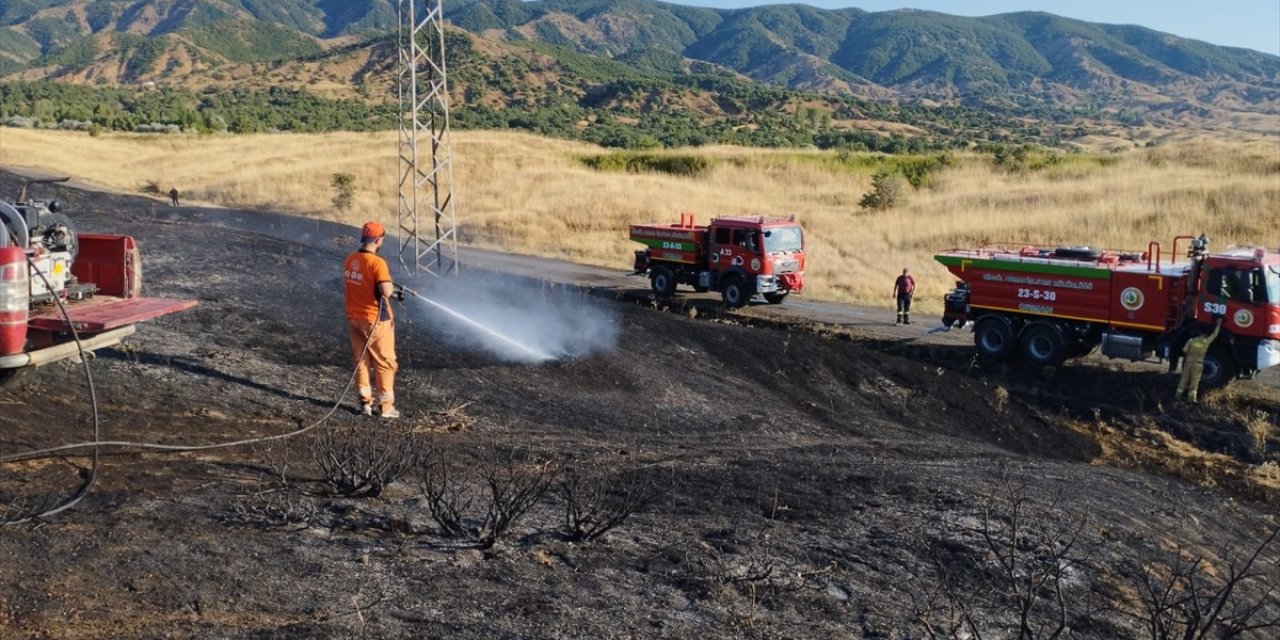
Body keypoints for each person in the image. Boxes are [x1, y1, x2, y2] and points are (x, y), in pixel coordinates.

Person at [343, 221, 403, 418]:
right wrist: (392, 289)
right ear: (378, 240)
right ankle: (386, 407)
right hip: (375, 320)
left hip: (354, 318)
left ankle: (365, 404)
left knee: (361, 360)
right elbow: (385, 291)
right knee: (385, 362)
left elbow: (364, 284)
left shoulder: (350, 259)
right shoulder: (377, 263)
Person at [1175, 316, 1223, 404]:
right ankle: (1192, 399)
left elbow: (1184, 351)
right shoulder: (1206, 341)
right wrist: (1218, 324)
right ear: (1205, 334)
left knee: (1184, 380)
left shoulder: (1191, 340)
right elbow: (1215, 335)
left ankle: (1177, 396)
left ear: (1198, 333)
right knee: (1194, 382)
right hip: (1198, 364)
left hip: (1188, 362)